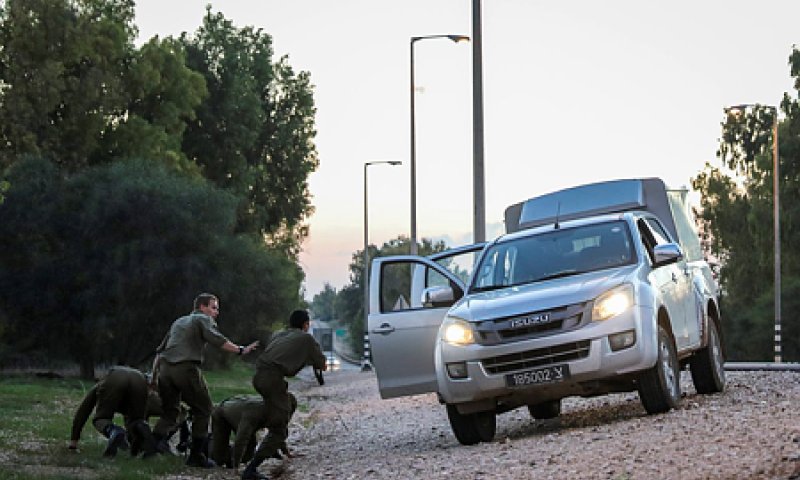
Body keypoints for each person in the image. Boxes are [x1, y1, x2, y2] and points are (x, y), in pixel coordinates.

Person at [151, 292, 260, 468]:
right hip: (185, 368)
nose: (216, 312)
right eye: (214, 307)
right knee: (204, 409)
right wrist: (241, 350)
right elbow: (218, 340)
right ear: (202, 307)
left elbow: (160, 351)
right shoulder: (202, 319)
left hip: (165, 369)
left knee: (170, 412)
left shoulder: (179, 321)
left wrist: (154, 377)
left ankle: (150, 450)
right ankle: (196, 456)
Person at [241, 309, 327, 480]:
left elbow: (282, 353)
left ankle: (276, 445)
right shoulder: (306, 338)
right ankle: (251, 469)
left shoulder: (279, 334)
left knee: (291, 402)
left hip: (259, 376)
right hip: (272, 379)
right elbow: (322, 363)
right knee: (279, 427)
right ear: (305, 324)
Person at [69, 366, 159, 458]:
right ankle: (146, 450)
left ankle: (114, 431)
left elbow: (83, 410)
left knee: (101, 419)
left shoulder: (101, 385)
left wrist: (73, 442)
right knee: (137, 421)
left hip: (116, 377)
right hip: (139, 379)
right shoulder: (148, 395)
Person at [210, 393, 298, 469]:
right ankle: (206, 444)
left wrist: (286, 453)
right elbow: (241, 440)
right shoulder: (255, 413)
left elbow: (278, 432)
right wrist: (235, 467)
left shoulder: (277, 412)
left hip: (239, 411)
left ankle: (229, 457)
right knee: (219, 459)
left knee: (248, 454)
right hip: (222, 414)